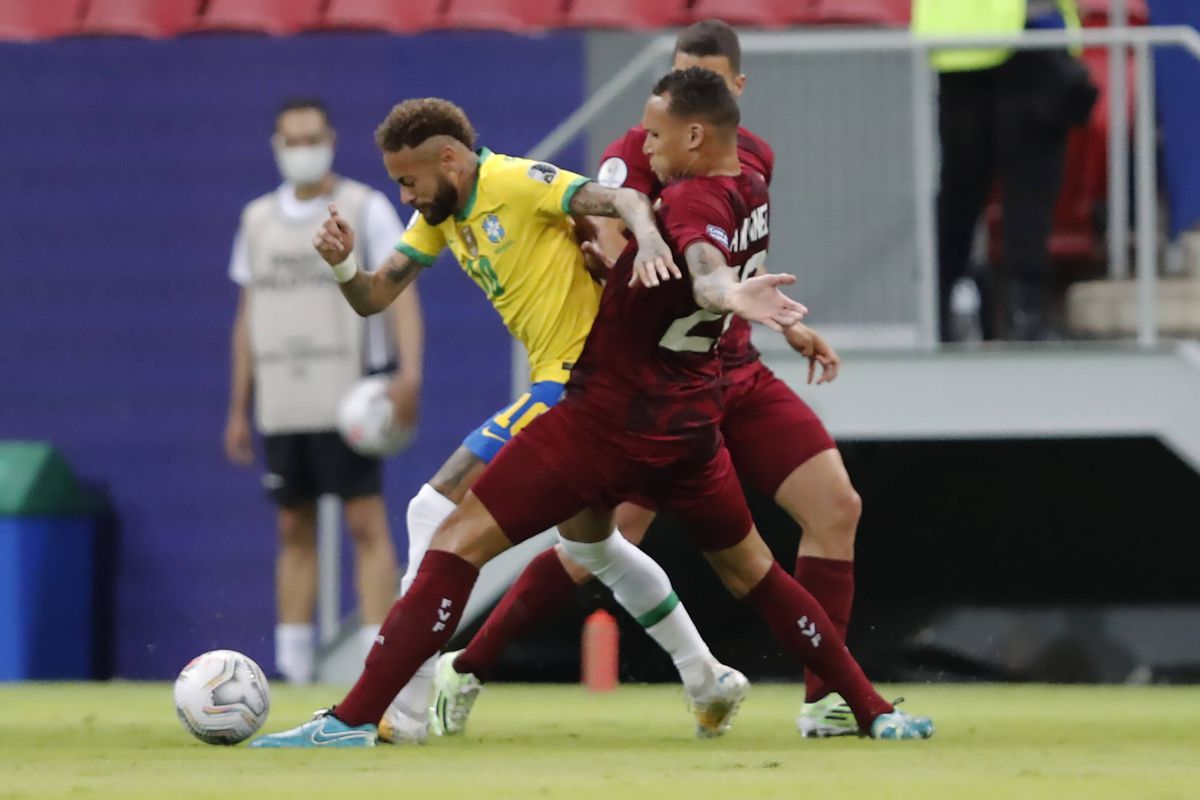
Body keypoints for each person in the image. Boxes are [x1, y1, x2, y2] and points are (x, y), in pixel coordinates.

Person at [249, 68, 934, 748]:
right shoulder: (749, 184)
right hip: (687, 421)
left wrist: (699, 272)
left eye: (657, 135)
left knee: (448, 528)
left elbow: (692, 257)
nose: (644, 146)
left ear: (695, 133)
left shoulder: (625, 196)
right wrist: (741, 302)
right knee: (695, 562)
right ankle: (845, 704)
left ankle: (373, 715)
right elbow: (712, 273)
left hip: (597, 406)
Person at [432, 19, 863, 740]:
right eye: (676, 72)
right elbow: (608, 236)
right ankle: (467, 667)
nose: (685, 100)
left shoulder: (754, 159)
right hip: (652, 386)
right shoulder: (631, 155)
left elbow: (740, 265)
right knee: (599, 542)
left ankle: (828, 702)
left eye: (708, 77)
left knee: (837, 505)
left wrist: (787, 321)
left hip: (733, 367)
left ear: (732, 91)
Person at [278, 96, 739, 743]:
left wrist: (654, 243)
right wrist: (343, 265)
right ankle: (706, 677)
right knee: (593, 546)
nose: (407, 196)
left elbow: (627, 202)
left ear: (449, 159)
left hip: (578, 383)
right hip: (580, 388)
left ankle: (402, 711)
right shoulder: (443, 215)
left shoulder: (517, 182)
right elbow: (374, 296)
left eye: (409, 181)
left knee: (429, 509)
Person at [223, 98, 421, 685]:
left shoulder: (365, 206)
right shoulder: (256, 220)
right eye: (293, 140)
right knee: (293, 526)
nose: (304, 150)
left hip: (351, 395)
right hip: (283, 398)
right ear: (277, 145)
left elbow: (401, 288)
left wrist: (407, 375)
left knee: (364, 521)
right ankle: (293, 666)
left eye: (313, 138)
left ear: (331, 139)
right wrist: (239, 407)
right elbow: (248, 313)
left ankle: (375, 663)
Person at [913, 0, 1096, 341]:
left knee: (965, 192)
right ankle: (1022, 315)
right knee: (1019, 190)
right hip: (1015, 39)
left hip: (966, 42)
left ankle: (938, 311)